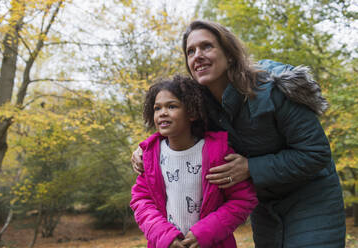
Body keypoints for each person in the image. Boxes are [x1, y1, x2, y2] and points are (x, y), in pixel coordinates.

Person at [132, 20, 346, 247]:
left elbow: (315, 153)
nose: (198, 55)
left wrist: (250, 167)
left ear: (230, 54)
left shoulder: (273, 88)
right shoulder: (200, 106)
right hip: (264, 205)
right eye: (190, 51)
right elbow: (179, 132)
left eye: (207, 46)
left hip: (311, 198)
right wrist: (145, 148)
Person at [130, 75, 258, 248]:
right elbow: (141, 201)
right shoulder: (150, 156)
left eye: (171, 106)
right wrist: (164, 236)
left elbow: (242, 199)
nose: (162, 113)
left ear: (191, 112)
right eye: (157, 108)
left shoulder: (217, 153)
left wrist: (204, 233)